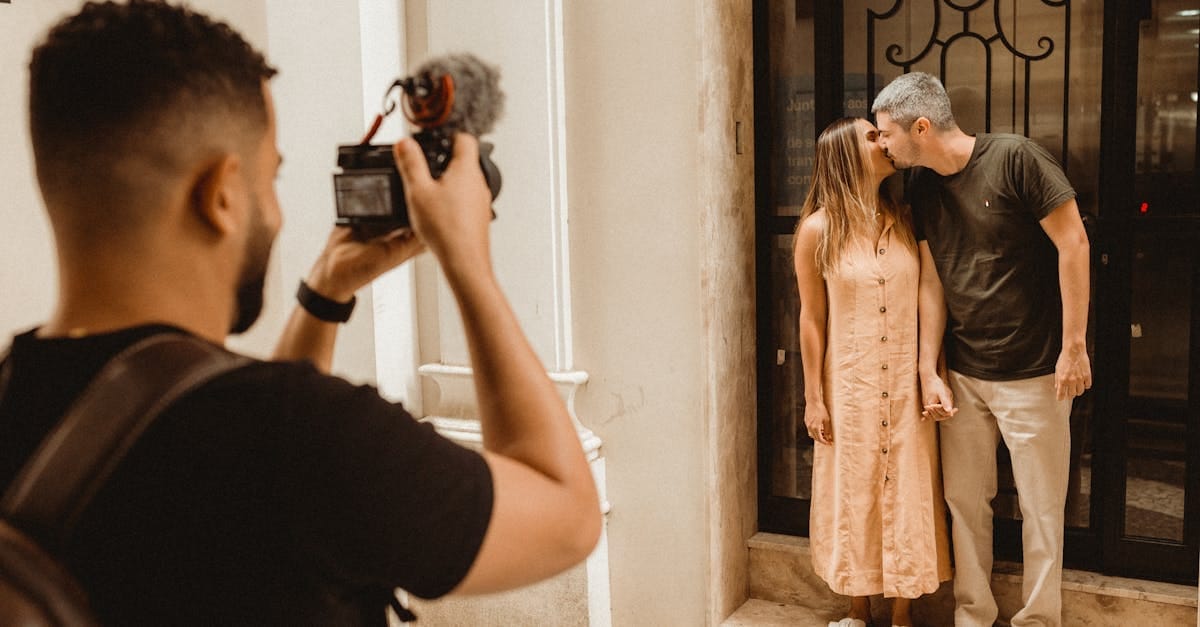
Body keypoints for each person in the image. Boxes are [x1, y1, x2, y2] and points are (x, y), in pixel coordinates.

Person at [0, 1, 601, 625]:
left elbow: (254, 438)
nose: (276, 212)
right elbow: (566, 516)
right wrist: (468, 263)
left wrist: (326, 292)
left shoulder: (16, 396)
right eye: (271, 178)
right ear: (222, 195)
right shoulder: (308, 439)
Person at [871, 72, 1092, 627]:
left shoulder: (1016, 159)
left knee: (1042, 508)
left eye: (887, 133)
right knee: (965, 505)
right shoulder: (921, 187)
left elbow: (1074, 243)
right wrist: (928, 369)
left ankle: (1039, 619)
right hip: (965, 373)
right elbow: (932, 281)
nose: (882, 144)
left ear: (921, 128)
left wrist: (1074, 347)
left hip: (1034, 371)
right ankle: (973, 615)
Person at [793, 117, 952, 627]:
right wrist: (813, 397)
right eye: (870, 136)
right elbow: (811, 318)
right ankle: (857, 608)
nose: (883, 141)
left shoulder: (906, 219)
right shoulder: (817, 231)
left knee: (908, 488)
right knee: (853, 490)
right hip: (851, 386)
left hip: (905, 386)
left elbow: (930, 292)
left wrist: (929, 371)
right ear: (844, 154)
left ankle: (903, 613)